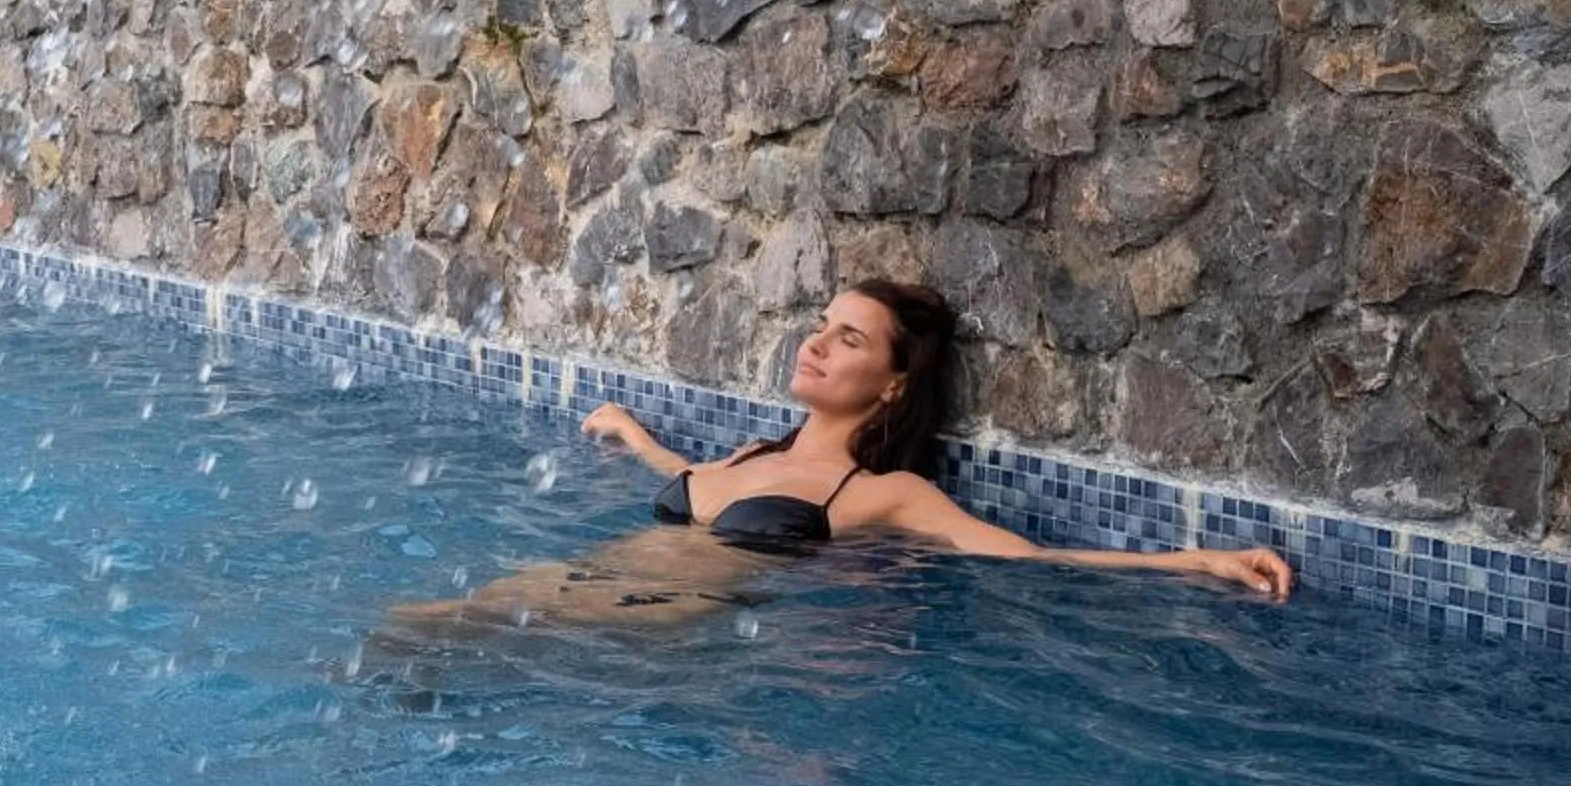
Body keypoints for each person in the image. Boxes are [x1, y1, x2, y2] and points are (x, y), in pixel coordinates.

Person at [393, 280, 1293, 628]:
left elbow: (1027, 558)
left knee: (417, 632)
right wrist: (636, 438)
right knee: (408, 635)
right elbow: (688, 483)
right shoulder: (752, 453)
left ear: (893, 385)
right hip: (579, 581)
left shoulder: (883, 492)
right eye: (821, 325)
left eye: (849, 339)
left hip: (652, 622)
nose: (816, 343)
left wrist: (1196, 561)